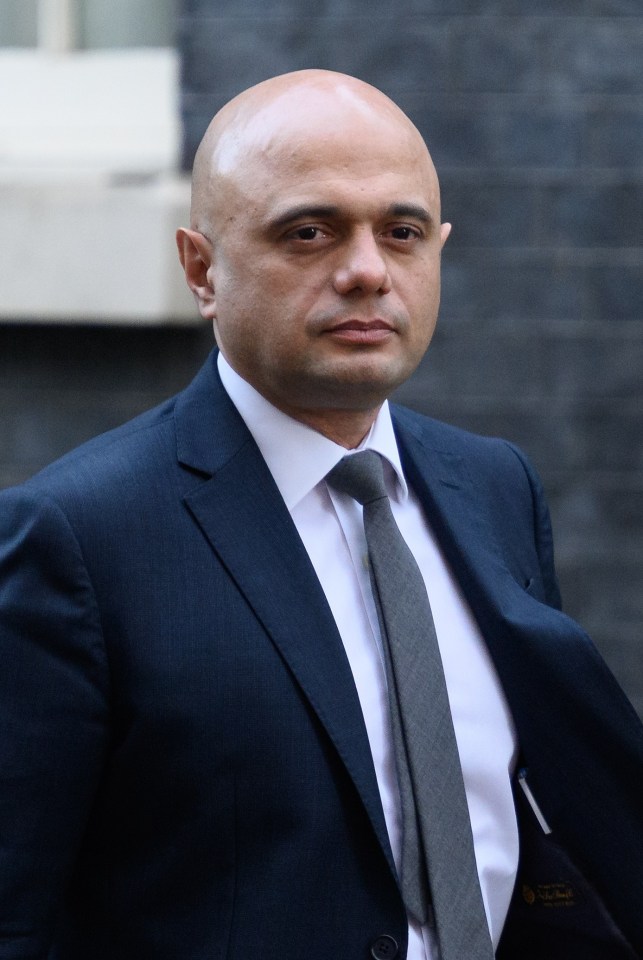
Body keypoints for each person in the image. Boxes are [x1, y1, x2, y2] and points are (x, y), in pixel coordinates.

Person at [0, 69, 641, 960]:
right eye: (309, 231)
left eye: (402, 232)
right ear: (201, 268)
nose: (367, 270)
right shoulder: (75, 538)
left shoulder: (493, 487)